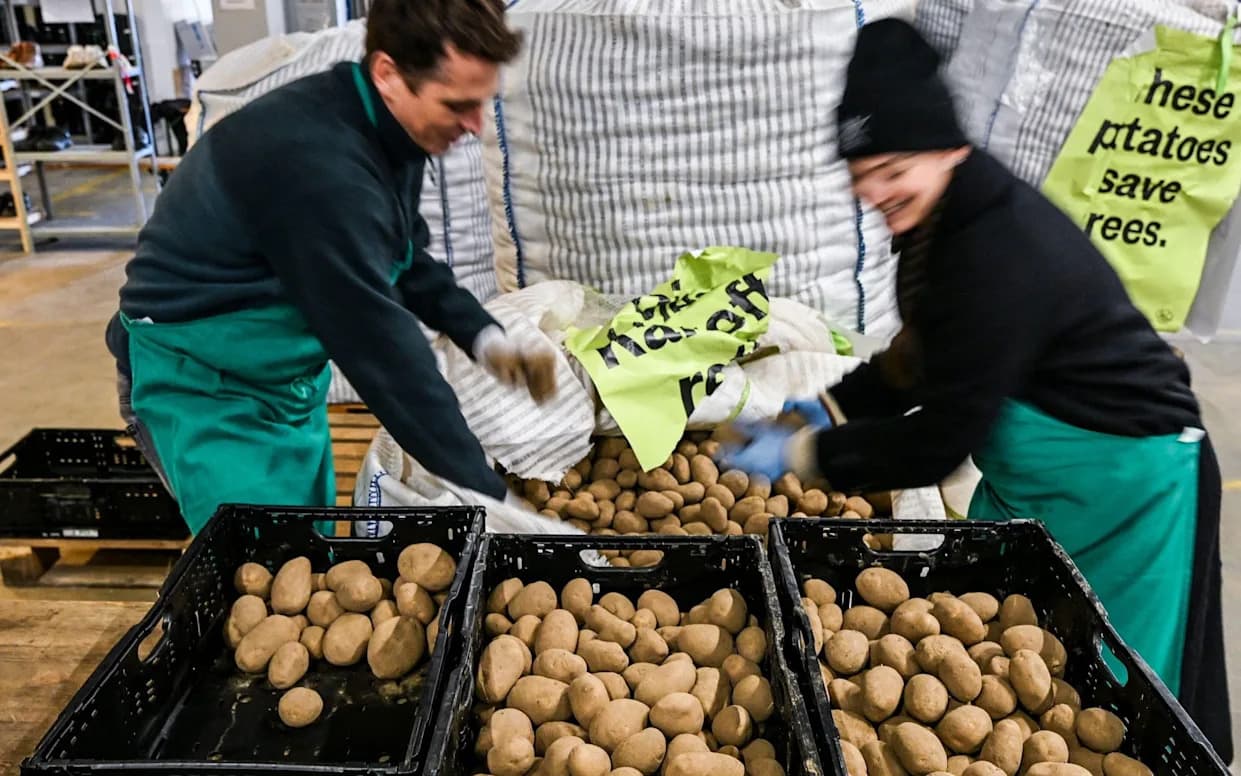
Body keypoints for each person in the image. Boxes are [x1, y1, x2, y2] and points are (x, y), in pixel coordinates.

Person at [724, 18, 1230, 759]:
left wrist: (809, 455)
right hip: (1038, 474)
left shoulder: (998, 246)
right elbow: (919, 354)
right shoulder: (940, 218)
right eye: (861, 174)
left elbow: (940, 441)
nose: (873, 192)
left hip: (1129, 481)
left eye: (890, 169)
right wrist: (825, 409)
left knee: (1125, 696)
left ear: (947, 147)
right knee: (1019, 659)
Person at [106, 0, 555, 534]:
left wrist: (481, 333)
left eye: (482, 103)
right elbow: (383, 352)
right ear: (388, 73)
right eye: (457, 105)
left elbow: (403, 256)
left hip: (281, 379)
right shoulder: (319, 164)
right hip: (202, 384)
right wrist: (492, 498)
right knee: (260, 563)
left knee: (310, 549)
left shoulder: (384, 129)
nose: (476, 125)